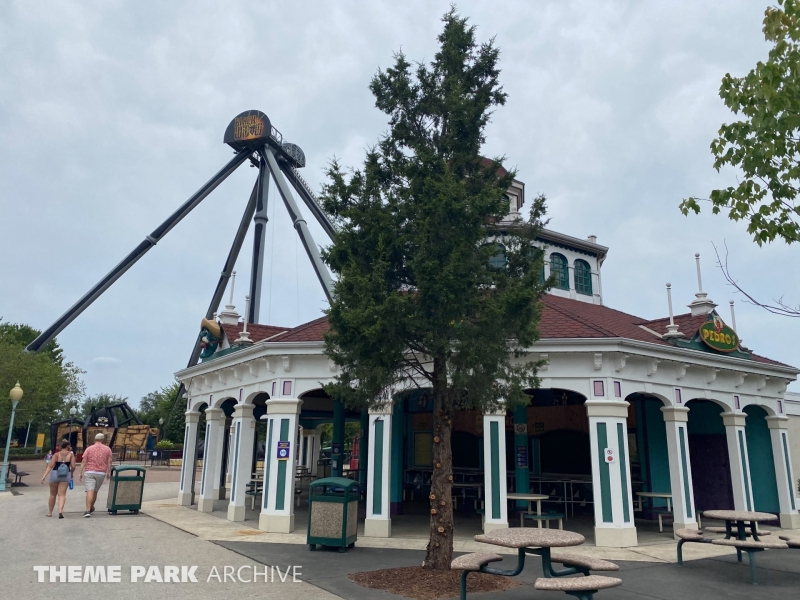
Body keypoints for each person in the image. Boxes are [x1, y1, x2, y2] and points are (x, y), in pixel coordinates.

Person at [78, 433, 112, 517]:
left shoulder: (89, 449)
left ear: (95, 439)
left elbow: (84, 460)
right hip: (101, 473)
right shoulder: (107, 449)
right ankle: (91, 507)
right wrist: (108, 472)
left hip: (89, 471)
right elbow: (109, 461)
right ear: (103, 440)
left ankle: (87, 510)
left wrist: (80, 472)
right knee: (95, 491)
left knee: (90, 490)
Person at [41, 440, 75, 518]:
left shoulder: (56, 454)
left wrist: (44, 476)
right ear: (68, 446)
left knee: (52, 494)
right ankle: (60, 511)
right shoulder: (71, 455)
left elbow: (50, 466)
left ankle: (50, 512)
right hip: (66, 475)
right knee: (62, 495)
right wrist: (71, 473)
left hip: (55, 474)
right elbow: (73, 466)